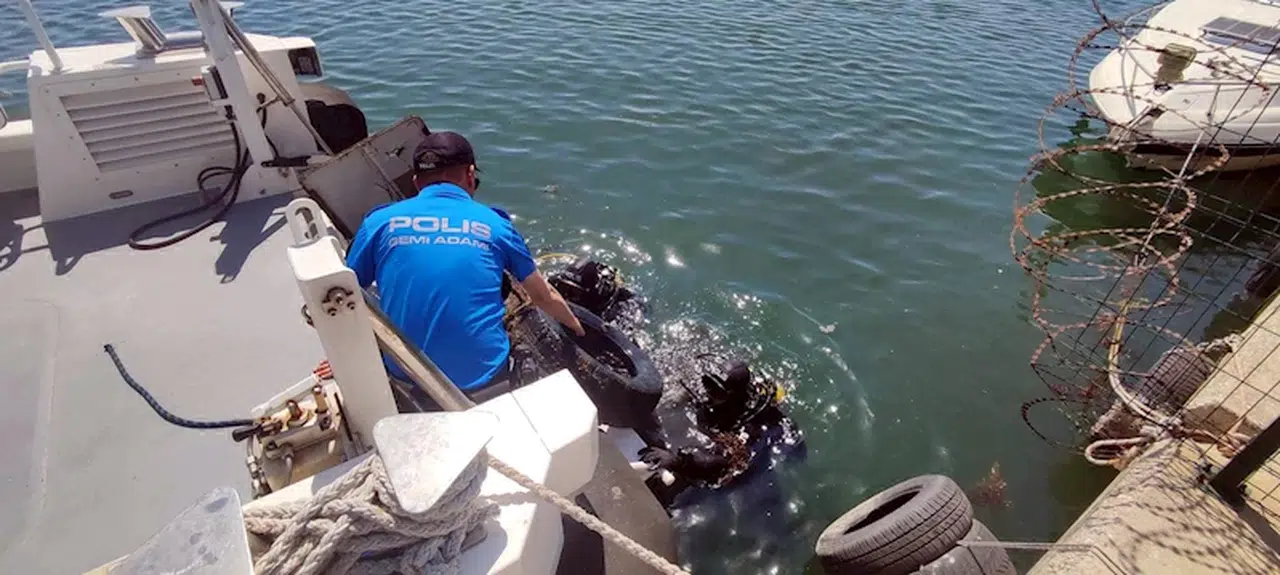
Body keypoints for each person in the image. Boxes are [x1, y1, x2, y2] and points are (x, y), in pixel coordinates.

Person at [345, 130, 585, 401]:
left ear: (416, 182)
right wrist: (577, 329)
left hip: (408, 376)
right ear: (471, 175)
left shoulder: (378, 223)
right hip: (484, 379)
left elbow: (346, 295)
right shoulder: (495, 224)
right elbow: (543, 296)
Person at [638, 360, 806, 506]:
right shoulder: (716, 400)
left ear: (732, 397)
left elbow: (725, 461)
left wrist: (678, 462)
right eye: (708, 385)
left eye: (715, 391)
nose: (707, 393)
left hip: (764, 443)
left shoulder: (750, 428)